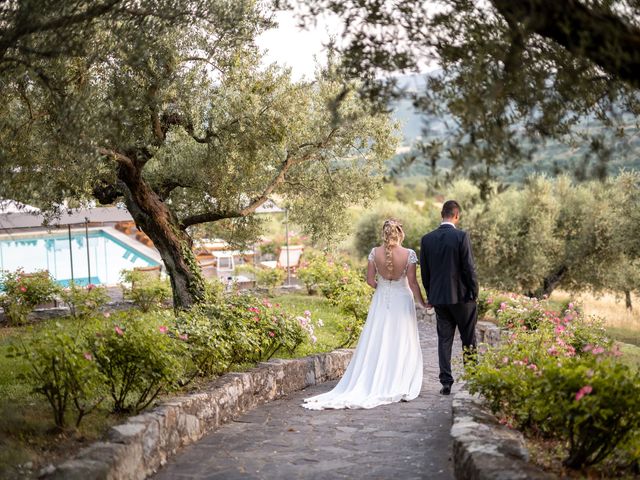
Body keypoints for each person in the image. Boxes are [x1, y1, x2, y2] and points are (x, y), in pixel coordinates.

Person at [302, 219, 426, 410]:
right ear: (400, 234)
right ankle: (399, 379)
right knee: (401, 339)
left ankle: (373, 378)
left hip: (381, 299)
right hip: (402, 300)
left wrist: (383, 288)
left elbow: (369, 281)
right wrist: (423, 303)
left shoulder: (374, 253)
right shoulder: (409, 254)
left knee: (377, 338)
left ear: (383, 234)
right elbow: (413, 282)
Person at [420, 200, 478, 396]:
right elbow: (469, 268)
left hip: (440, 299)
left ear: (441, 214)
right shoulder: (461, 236)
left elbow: (425, 272)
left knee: (444, 340)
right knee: (468, 338)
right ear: (456, 216)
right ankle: (472, 379)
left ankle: (446, 382)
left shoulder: (427, 239)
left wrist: (430, 294)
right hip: (462, 298)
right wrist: (474, 292)